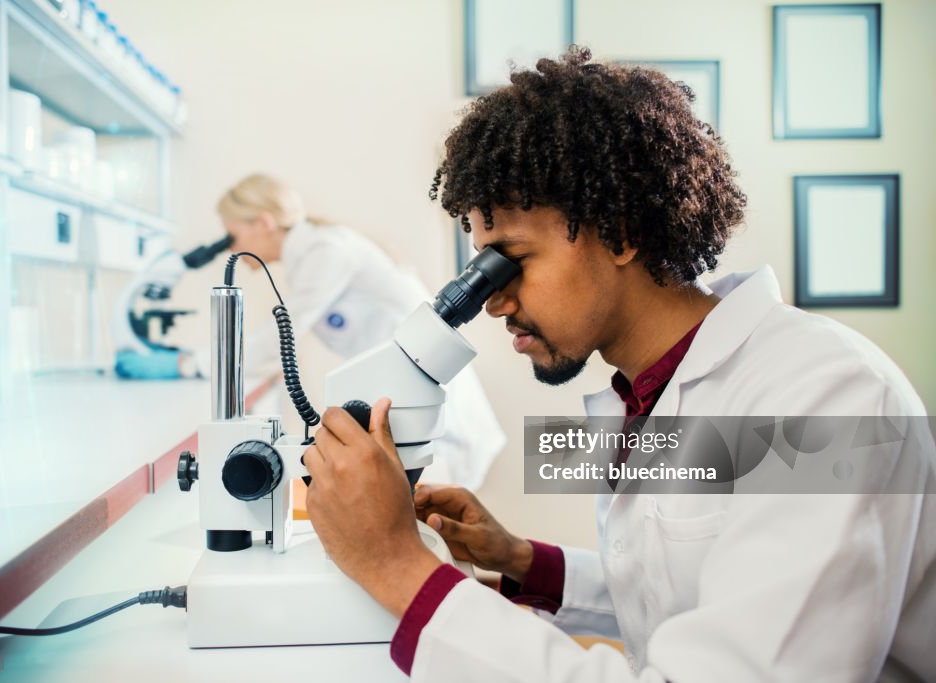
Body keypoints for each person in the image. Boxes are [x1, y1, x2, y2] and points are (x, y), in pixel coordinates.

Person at [301, 47, 936, 681]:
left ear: (621, 233)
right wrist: (526, 560)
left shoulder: (828, 400)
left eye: (510, 260)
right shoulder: (652, 391)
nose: (493, 301)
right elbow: (700, 599)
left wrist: (396, 567)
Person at [213, 173, 506, 489]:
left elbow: (277, 338)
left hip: (433, 421)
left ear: (263, 222)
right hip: (408, 408)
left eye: (232, 235)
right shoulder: (315, 251)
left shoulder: (326, 251)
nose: (233, 246)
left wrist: (189, 364)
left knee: (419, 524)